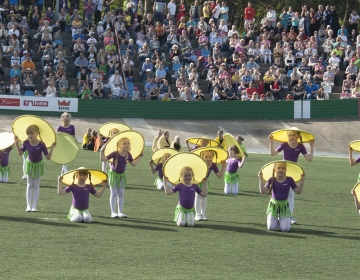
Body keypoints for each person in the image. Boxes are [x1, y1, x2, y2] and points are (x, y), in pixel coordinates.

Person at [269, 129, 314, 224]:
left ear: (298, 137)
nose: (291, 137)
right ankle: (276, 215)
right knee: (277, 192)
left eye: (293, 135)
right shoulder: (284, 144)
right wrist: (271, 143)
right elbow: (272, 153)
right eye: (289, 135)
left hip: (292, 172)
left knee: (290, 194)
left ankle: (289, 216)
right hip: (282, 170)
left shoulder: (300, 146)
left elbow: (309, 159)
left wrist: (312, 147)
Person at [14, 125, 56, 212]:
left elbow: (47, 157)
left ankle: (34, 206)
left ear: (37, 133)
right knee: (29, 185)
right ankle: (28, 206)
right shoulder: (26, 143)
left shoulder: (41, 144)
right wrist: (16, 143)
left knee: (36, 185)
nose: (30, 135)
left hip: (38, 166)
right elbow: (20, 153)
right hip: (30, 165)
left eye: (32, 133)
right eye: (28, 134)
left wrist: (52, 148)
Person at [100, 136, 143, 218]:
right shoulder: (115, 153)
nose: (127, 145)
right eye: (124, 143)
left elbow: (133, 164)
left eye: (128, 143)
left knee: (121, 193)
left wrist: (140, 156)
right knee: (113, 193)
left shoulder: (128, 154)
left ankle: (120, 212)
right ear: (119, 145)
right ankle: (113, 212)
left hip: (122, 176)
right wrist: (101, 151)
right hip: (114, 175)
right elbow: (102, 159)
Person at [258, 161, 306, 232]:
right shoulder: (272, 179)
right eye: (279, 168)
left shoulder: (289, 180)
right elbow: (262, 191)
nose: (281, 169)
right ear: (275, 169)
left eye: (283, 168)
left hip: (284, 206)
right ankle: (275, 219)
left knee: (285, 229)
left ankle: (281, 219)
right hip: (274, 206)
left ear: (286, 170)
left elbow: (298, 191)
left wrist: (302, 180)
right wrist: (261, 179)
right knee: (271, 228)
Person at [194, 149, 226, 221]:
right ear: (202, 157)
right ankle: (197, 214)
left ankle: (203, 214)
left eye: (210, 157)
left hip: (205, 182)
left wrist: (223, 166)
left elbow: (219, 176)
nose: (208, 159)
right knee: (198, 197)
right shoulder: (200, 163)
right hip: (198, 182)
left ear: (213, 157)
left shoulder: (213, 165)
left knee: (204, 197)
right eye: (206, 157)